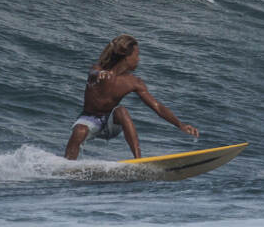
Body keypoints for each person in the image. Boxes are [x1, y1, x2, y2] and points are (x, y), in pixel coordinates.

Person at [64, 34, 199, 160]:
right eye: (137, 55)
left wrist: (180, 125)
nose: (138, 59)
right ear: (127, 57)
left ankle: (138, 161)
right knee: (79, 131)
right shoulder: (98, 69)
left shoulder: (134, 82)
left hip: (110, 123)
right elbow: (93, 72)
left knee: (121, 111)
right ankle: (67, 166)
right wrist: (98, 74)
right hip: (88, 119)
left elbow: (157, 107)